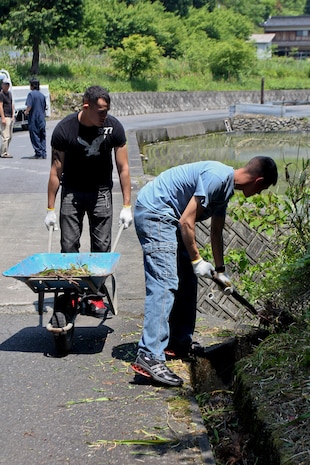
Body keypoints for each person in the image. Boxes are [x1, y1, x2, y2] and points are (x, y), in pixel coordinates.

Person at [131, 156, 278, 387]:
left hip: (168, 217)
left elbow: (216, 231)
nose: (260, 193)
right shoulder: (217, 177)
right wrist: (198, 259)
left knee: (187, 280)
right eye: (263, 188)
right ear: (258, 181)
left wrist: (220, 271)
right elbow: (186, 221)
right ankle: (149, 355)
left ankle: (178, 342)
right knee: (165, 281)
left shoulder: (225, 188)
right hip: (156, 213)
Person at [44, 85, 132, 314]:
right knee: (69, 245)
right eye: (100, 111)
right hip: (72, 192)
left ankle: (95, 295)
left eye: (107, 110)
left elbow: (123, 168)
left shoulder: (113, 127)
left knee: (102, 247)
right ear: (87, 107)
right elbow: (55, 171)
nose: (105, 115)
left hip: (101, 191)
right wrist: (50, 208)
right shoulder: (65, 130)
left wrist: (126, 205)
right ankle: (72, 292)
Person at [24, 79, 47, 159]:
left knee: (35, 135)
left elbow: (29, 106)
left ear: (32, 86)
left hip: (34, 118)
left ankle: (38, 153)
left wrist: (26, 112)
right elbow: (44, 107)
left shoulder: (31, 94)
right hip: (41, 118)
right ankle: (43, 153)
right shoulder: (42, 95)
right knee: (42, 135)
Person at [0, 77, 14, 158]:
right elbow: (0, 106)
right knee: (5, 136)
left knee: (10, 136)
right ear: (2, 85)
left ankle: (3, 150)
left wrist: (13, 115)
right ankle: (3, 153)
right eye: (5, 84)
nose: (7, 86)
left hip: (10, 116)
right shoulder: (1, 94)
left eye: (8, 85)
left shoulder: (9, 93)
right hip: (5, 116)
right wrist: (3, 117)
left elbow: (11, 104)